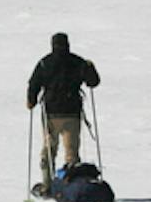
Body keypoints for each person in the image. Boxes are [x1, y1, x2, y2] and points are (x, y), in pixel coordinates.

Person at [27, 32, 101, 193]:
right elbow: (93, 82)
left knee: (48, 150)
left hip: (51, 114)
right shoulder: (77, 62)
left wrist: (31, 101)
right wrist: (90, 68)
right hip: (72, 113)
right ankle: (71, 187)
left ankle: (47, 185)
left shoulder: (44, 63)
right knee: (72, 153)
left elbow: (34, 84)